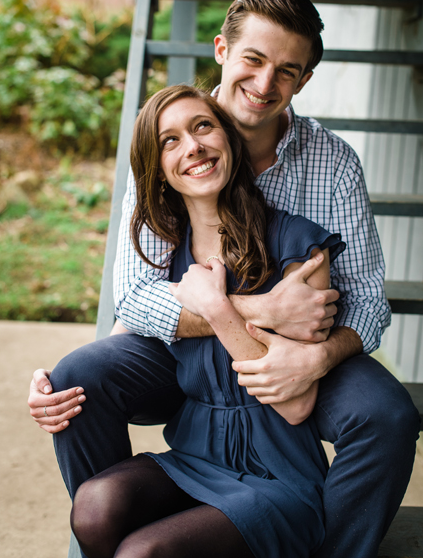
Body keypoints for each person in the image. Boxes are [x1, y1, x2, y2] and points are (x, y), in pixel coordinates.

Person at [28, 0, 420, 557]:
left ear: (304, 80)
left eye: (287, 71)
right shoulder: (170, 141)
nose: (265, 86)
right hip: (191, 351)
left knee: (387, 414)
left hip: (302, 349)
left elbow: (364, 297)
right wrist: (256, 309)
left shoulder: (331, 164)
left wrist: (316, 356)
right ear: (222, 51)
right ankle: (153, 529)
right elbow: (135, 298)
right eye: (254, 61)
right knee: (78, 380)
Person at [71, 83, 343, 558]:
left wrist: (217, 308)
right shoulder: (164, 257)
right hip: (193, 455)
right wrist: (52, 382)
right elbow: (123, 340)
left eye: (202, 127)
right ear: (157, 172)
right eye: (170, 140)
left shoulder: (300, 246)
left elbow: (297, 407)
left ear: (229, 141)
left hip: (277, 473)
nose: (192, 146)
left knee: (142, 553)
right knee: (93, 507)